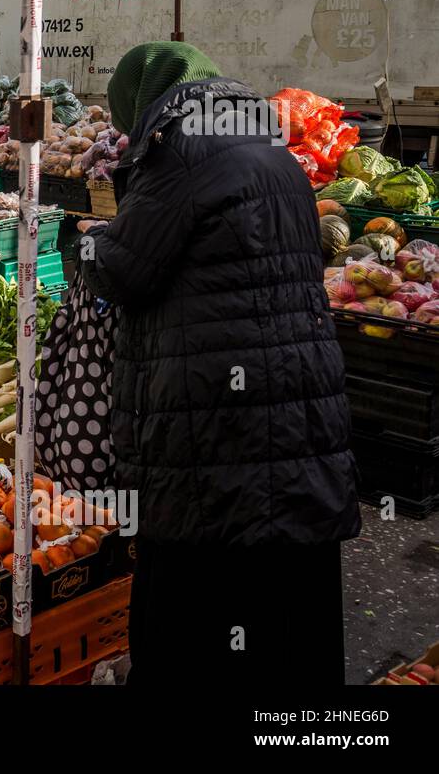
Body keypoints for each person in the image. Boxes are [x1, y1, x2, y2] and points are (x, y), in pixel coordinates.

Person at [78, 42, 360, 685]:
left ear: (143, 105)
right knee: (287, 601)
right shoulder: (267, 147)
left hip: (214, 419)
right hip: (296, 408)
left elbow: (127, 269)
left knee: (202, 595)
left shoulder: (177, 150)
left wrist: (85, 246)